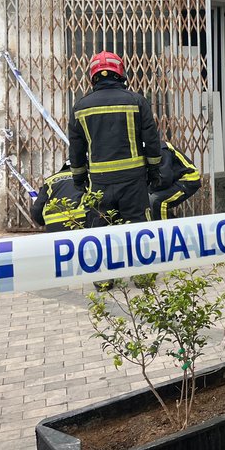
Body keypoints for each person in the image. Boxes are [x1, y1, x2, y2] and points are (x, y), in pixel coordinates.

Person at [68, 51, 163, 290]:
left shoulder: (80, 107)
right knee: (138, 225)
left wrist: (79, 179)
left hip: (99, 181)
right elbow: (151, 141)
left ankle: (103, 279)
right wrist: (154, 172)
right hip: (133, 179)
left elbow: (76, 150)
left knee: (100, 228)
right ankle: (142, 276)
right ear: (121, 72)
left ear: (93, 76)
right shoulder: (136, 101)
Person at [149, 141, 202, 221]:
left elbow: (165, 178)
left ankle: (165, 230)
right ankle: (177, 225)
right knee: (151, 199)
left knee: (157, 201)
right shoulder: (151, 148)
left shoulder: (161, 148)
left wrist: (150, 189)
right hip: (176, 179)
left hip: (188, 179)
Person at [30, 162, 87, 232]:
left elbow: (36, 209)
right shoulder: (87, 178)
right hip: (79, 223)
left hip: (53, 226)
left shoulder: (50, 180)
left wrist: (42, 222)